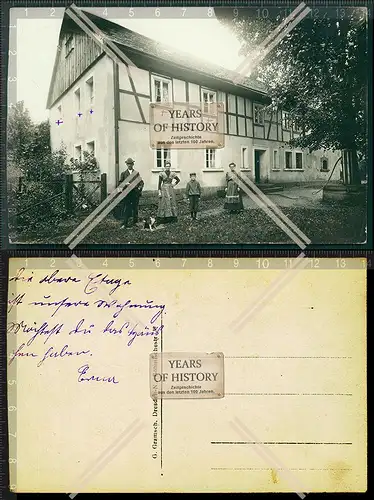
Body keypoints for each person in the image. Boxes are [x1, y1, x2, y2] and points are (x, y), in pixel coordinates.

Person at [119, 157, 144, 229]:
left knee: (135, 208)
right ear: (126, 164)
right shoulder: (123, 174)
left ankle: (135, 223)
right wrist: (125, 184)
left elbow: (141, 182)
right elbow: (120, 183)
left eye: (131, 164)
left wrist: (139, 188)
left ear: (133, 164)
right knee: (126, 208)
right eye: (128, 164)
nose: (129, 165)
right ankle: (125, 223)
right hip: (127, 194)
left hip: (135, 193)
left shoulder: (136, 173)